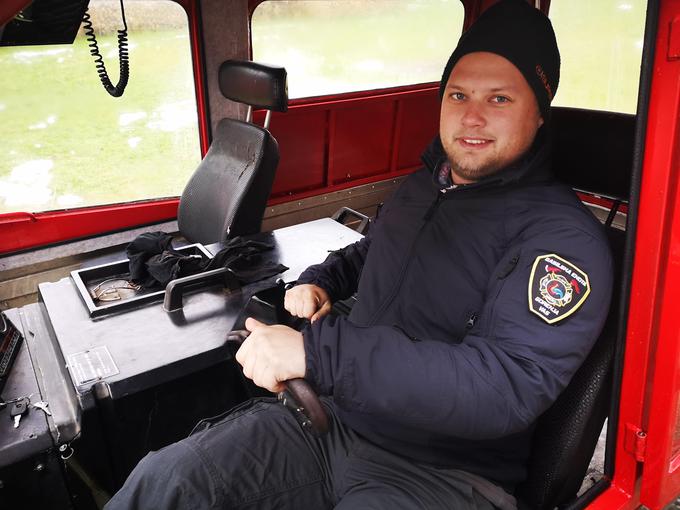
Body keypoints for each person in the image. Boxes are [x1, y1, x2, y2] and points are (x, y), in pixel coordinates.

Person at [106, 1, 613, 508]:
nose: (472, 116)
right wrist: (322, 280)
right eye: (458, 94)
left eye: (500, 98)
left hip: (443, 473)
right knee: (166, 481)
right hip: (329, 421)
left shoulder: (562, 243)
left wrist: (316, 354)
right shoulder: (425, 187)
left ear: (540, 112)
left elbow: (501, 385)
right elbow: (373, 253)